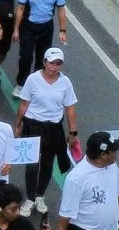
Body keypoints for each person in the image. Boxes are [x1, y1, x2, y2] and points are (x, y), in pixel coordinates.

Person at [14, 47, 78, 219]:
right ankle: (29, 198)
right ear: (44, 62)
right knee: (32, 165)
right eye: (51, 63)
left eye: (58, 64)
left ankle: (40, 195)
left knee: (48, 164)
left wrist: (73, 132)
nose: (54, 67)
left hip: (54, 128)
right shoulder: (33, 80)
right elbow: (24, 105)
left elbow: (70, 109)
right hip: (33, 126)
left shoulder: (65, 82)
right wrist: (18, 125)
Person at [11, 0, 68, 91]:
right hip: (28, 28)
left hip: (46, 28)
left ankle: (37, 85)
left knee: (42, 59)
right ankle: (21, 84)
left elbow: (60, 10)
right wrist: (16, 29)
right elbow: (20, 8)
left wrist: (62, 30)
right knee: (25, 57)